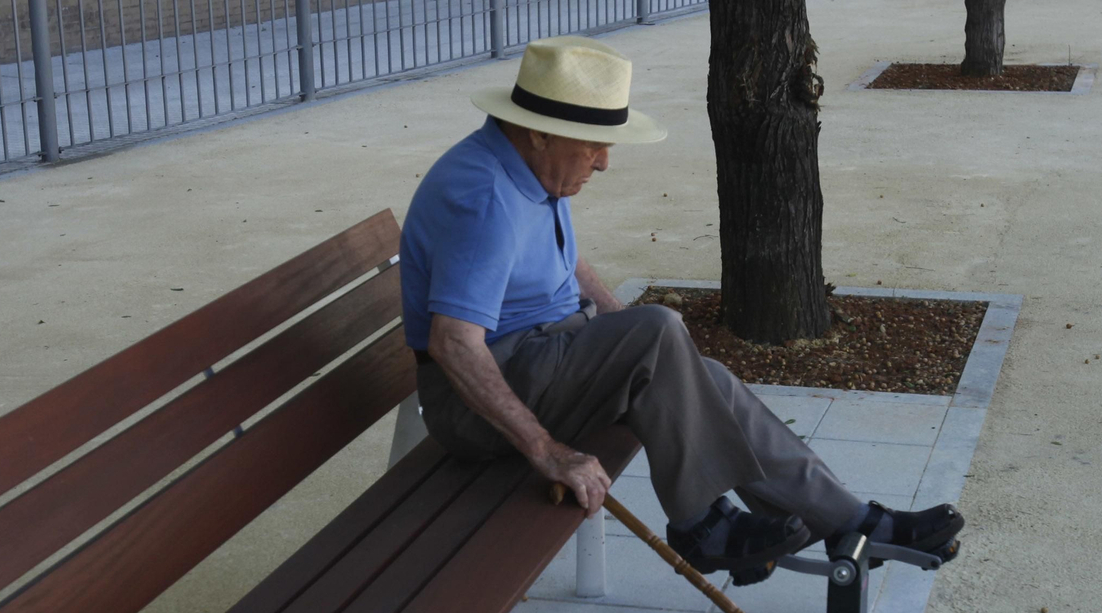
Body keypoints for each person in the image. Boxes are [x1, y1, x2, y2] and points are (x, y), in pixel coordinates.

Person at [399, 35, 962, 585]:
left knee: (701, 375)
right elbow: (453, 343)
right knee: (658, 330)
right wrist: (547, 452)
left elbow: (569, 263)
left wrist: (627, 337)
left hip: (542, 363)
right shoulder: (484, 198)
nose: (603, 164)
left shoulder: (526, 169)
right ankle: (701, 526)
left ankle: (847, 522)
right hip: (477, 405)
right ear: (542, 134)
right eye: (593, 144)